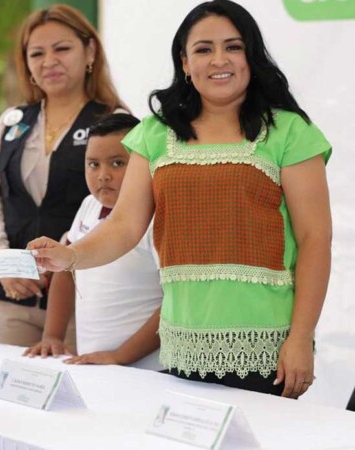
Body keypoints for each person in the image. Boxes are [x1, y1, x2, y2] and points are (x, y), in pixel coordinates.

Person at [29, 0, 332, 399]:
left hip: (268, 347)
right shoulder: (156, 133)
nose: (219, 59)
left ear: (252, 56)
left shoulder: (290, 132)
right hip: (180, 345)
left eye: (233, 46)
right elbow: (124, 226)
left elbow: (315, 240)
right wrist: (70, 256)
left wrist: (301, 338)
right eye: (204, 49)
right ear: (185, 63)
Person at [0, 3, 126, 347]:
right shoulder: (13, 121)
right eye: (37, 53)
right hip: (13, 295)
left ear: (89, 51)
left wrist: (66, 260)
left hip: (83, 300)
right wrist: (4, 264)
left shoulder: (113, 121)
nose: (49, 61)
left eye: (62, 49)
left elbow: (125, 213)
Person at [24, 114, 164, 371]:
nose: (103, 175)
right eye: (93, 164)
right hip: (95, 364)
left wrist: (121, 355)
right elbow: (66, 272)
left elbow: (174, 302)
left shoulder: (159, 216)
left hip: (148, 369)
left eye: (118, 163)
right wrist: (53, 336)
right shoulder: (89, 205)